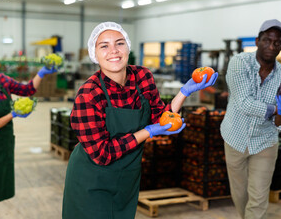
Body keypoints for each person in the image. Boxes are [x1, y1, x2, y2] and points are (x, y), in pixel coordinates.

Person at [62, 21, 218, 219]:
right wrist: (148, 132)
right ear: (95, 54)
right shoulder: (89, 93)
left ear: (127, 46)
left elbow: (160, 117)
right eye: (104, 46)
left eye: (119, 43)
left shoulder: (142, 76)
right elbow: (102, 154)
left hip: (127, 177)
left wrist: (184, 92)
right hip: (92, 180)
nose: (114, 51)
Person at [220, 19, 281, 219]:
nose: (271, 46)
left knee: (259, 197)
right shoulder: (239, 63)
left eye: (277, 42)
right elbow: (245, 104)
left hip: (265, 143)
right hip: (235, 138)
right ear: (257, 40)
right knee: (239, 195)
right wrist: (278, 108)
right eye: (267, 40)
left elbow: (280, 125)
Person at [0, 50, 57, 219]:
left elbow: (27, 90)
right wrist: (13, 114)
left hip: (4, 144)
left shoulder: (2, 80)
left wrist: (41, 73)